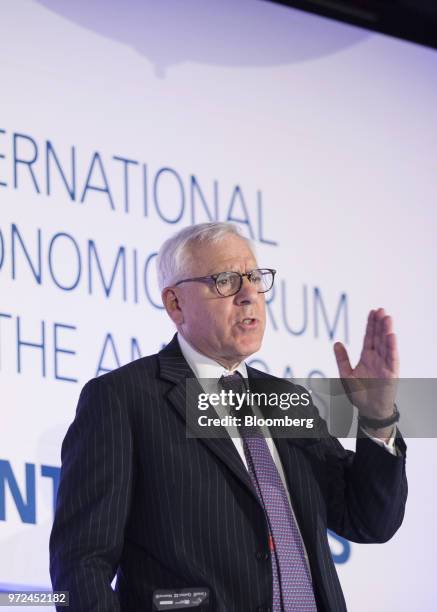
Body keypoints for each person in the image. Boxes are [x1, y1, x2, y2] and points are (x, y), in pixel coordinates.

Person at [49, 222, 407, 612]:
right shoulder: (124, 399)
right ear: (175, 304)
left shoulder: (285, 400)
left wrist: (377, 419)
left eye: (254, 278)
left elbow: (369, 521)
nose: (249, 294)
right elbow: (81, 563)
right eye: (225, 281)